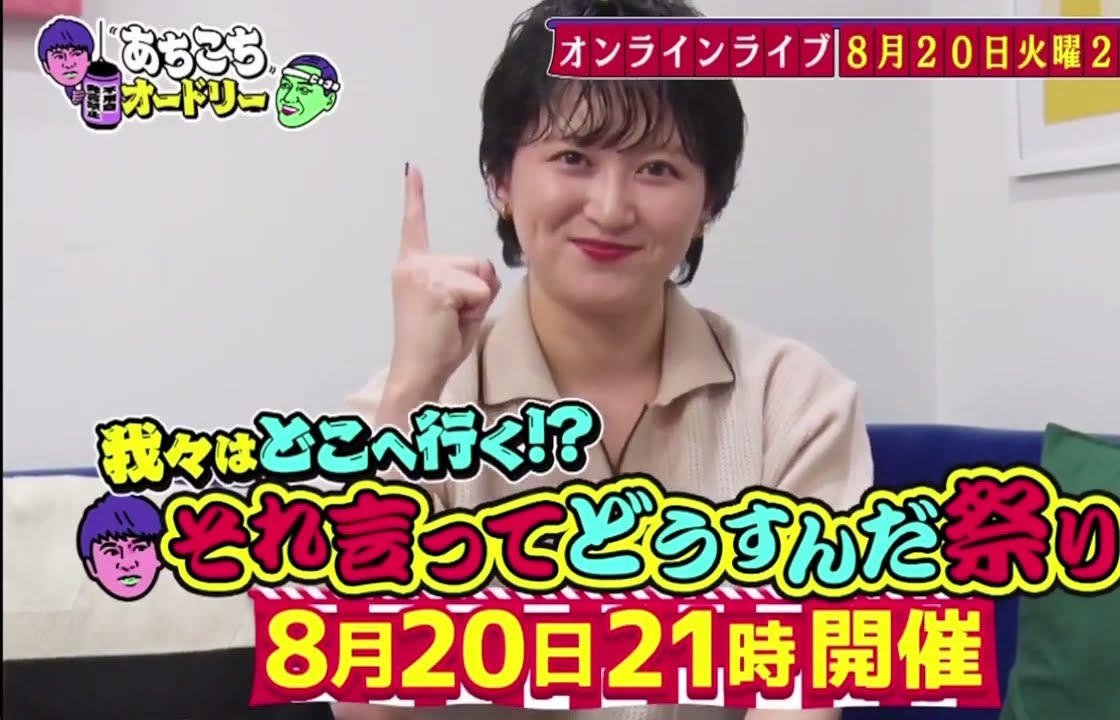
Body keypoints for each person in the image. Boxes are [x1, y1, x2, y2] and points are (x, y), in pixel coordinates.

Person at [338, 0, 873, 718]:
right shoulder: (404, 414)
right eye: (574, 159)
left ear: (709, 201)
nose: (613, 208)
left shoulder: (795, 404)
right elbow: (365, 707)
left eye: (657, 167)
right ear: (501, 179)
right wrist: (410, 393)